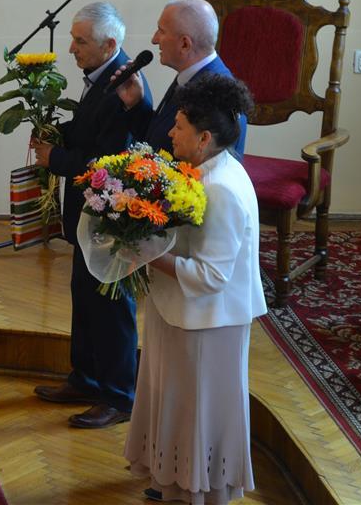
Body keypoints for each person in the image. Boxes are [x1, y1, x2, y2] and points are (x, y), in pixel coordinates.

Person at [126, 73, 266, 503]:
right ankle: (171, 483)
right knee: (173, 405)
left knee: (196, 413)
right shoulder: (204, 171)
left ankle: (198, 491)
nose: (170, 133)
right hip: (178, 313)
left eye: (179, 126)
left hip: (208, 324)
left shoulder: (221, 189)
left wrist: (147, 253)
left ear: (204, 138)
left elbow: (211, 276)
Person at [30, 2, 151, 429]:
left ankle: (118, 396)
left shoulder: (124, 86)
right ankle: (85, 379)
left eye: (80, 41)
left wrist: (56, 158)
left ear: (109, 44)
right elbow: (89, 132)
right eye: (73, 38)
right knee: (84, 295)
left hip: (110, 213)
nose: (71, 48)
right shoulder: (102, 75)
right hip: (87, 209)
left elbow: (108, 162)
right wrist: (55, 134)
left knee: (110, 304)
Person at [117, 0, 246, 157]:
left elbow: (191, 167)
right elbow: (159, 140)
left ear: (185, 44)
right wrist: (135, 104)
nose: (154, 39)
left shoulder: (214, 94)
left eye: (161, 31)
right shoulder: (191, 74)